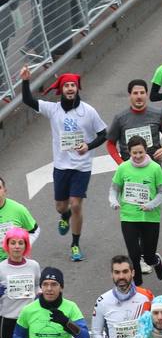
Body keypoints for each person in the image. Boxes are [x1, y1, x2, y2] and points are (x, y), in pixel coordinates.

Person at [18, 68, 106, 262]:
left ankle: (75, 244)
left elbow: (103, 133)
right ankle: (64, 216)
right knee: (61, 207)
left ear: (77, 88)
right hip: (61, 166)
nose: (70, 88)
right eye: (66, 85)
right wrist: (25, 81)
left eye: (73, 85)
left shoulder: (88, 111)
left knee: (76, 205)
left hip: (82, 166)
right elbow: (28, 101)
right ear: (61, 88)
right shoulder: (53, 109)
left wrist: (88, 146)